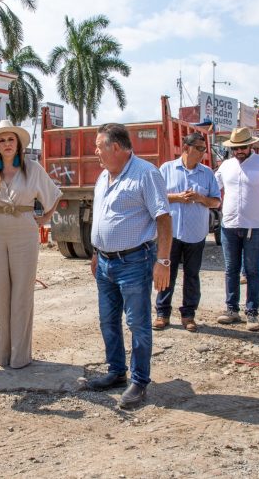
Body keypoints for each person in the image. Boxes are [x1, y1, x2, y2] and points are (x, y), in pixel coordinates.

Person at [85, 123, 171, 410]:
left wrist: (163, 261)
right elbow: (102, 217)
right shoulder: (103, 177)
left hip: (135, 261)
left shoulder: (146, 174)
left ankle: (139, 381)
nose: (95, 151)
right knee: (107, 320)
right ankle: (116, 372)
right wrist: (97, 251)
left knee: (137, 323)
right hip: (106, 263)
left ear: (117, 147)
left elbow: (163, 219)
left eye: (99, 146)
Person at [0, 120, 62, 369]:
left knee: (22, 292)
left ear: (18, 143)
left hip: (25, 231)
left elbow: (53, 195)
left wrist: (44, 218)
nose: (7, 144)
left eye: (10, 139)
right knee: (1, 292)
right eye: (2, 140)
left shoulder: (32, 168)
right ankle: (3, 354)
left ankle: (20, 356)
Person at [153, 132, 221, 333]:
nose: (202, 153)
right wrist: (176, 197)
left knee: (192, 275)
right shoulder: (167, 169)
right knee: (167, 274)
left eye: (204, 149)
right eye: (199, 148)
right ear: (186, 147)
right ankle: (162, 313)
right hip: (170, 234)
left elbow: (216, 201)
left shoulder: (207, 173)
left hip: (196, 234)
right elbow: (156, 197)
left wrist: (201, 198)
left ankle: (188, 315)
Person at [214, 127, 259, 332]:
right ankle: (231, 309)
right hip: (230, 224)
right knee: (231, 269)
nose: (239, 151)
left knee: (252, 270)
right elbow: (214, 187)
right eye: (235, 148)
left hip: (255, 225)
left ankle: (252, 312)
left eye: (242, 147)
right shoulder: (226, 166)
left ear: (250, 145)